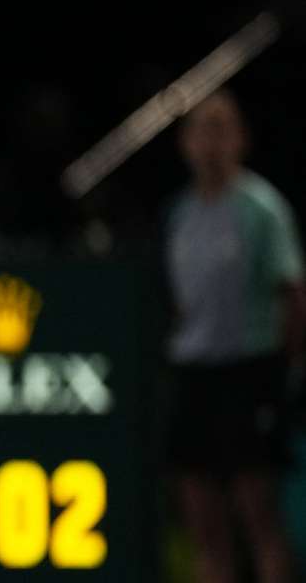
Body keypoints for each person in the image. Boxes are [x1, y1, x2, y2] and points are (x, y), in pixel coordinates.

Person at [164, 88, 305, 583]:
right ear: (185, 143)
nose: (211, 142)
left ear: (241, 140)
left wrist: (285, 374)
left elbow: (293, 295)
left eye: (222, 129)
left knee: (258, 515)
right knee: (204, 520)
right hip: (196, 374)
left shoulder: (264, 209)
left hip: (252, 372)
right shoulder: (179, 215)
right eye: (202, 130)